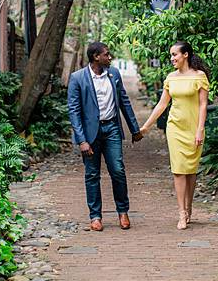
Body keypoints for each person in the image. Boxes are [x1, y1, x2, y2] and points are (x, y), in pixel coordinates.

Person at [67, 42, 143, 231]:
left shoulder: (114, 74)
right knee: (92, 174)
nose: (110, 57)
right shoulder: (77, 78)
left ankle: (123, 211)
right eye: (106, 55)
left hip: (112, 129)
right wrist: (82, 140)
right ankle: (95, 216)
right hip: (90, 134)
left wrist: (135, 129)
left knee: (117, 170)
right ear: (95, 57)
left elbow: (124, 101)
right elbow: (74, 111)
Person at [139, 41, 209, 230]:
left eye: (175, 55)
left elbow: (203, 104)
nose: (172, 59)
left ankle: (189, 205)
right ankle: (181, 213)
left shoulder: (199, 77)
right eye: (171, 55)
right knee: (178, 170)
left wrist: (200, 129)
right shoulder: (171, 78)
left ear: (185, 55)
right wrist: (146, 127)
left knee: (191, 171)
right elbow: (162, 105)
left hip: (193, 127)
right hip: (175, 127)